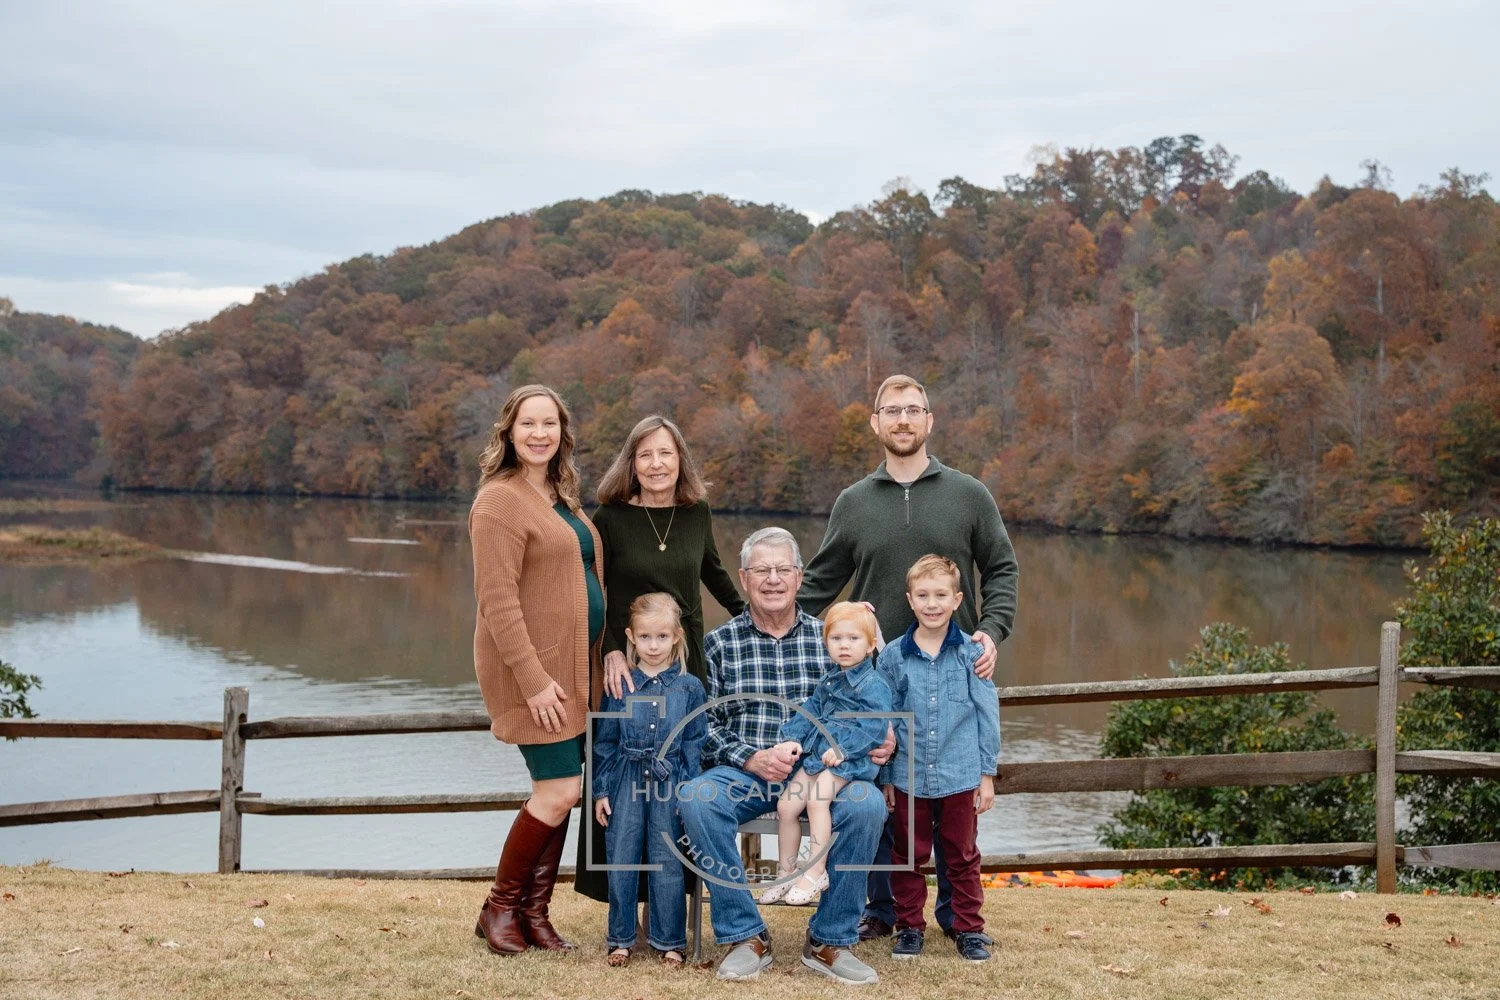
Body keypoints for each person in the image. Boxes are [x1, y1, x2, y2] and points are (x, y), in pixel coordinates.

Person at [797, 373, 1019, 944]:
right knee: (887, 806)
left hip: (950, 673)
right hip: (878, 684)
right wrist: (765, 627)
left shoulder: (968, 494)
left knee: (952, 810)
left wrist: (991, 631)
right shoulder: (853, 502)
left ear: (929, 420)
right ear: (875, 423)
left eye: (912, 410)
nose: (902, 420)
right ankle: (885, 913)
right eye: (891, 410)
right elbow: (819, 586)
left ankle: (958, 919)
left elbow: (1001, 569)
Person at [677, 528, 887, 986]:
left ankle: (830, 939)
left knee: (867, 804)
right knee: (696, 797)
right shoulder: (719, 644)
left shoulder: (831, 638)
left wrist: (880, 739)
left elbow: (871, 703)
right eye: (760, 571)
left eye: (782, 570)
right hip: (747, 773)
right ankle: (745, 935)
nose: (772, 580)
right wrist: (750, 758)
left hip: (820, 772)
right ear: (743, 579)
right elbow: (703, 726)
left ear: (799, 577)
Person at [576, 414, 744, 906]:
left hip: (684, 662)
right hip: (626, 660)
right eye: (645, 454)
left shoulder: (697, 513)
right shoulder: (608, 518)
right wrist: (608, 646)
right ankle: (627, 907)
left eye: (665, 453)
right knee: (625, 773)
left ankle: (674, 908)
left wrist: (758, 616)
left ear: (680, 459)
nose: (655, 464)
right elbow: (595, 589)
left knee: (680, 770)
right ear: (631, 462)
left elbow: (714, 573)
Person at [469, 384, 604, 956]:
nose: (540, 433)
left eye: (550, 424)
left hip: (575, 672)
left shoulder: (559, 494)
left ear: (562, 432)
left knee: (562, 795)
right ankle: (499, 908)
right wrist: (532, 679)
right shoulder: (498, 502)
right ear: (509, 431)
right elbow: (498, 601)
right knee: (558, 790)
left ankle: (535, 914)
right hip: (536, 676)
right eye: (529, 424)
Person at [879, 555, 1000, 963]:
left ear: (956, 599)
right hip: (909, 775)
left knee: (962, 855)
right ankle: (909, 928)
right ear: (910, 600)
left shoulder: (971, 653)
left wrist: (987, 775)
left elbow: (987, 714)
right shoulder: (894, 656)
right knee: (908, 855)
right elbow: (886, 721)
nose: (932, 604)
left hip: (960, 774)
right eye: (923, 596)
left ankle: (969, 929)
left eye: (941, 595)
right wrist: (887, 778)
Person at [592, 593, 707, 969]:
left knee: (667, 859)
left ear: (675, 636)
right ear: (631, 636)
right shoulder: (619, 684)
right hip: (626, 776)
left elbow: (694, 744)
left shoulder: (690, 688)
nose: (653, 646)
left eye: (661, 637)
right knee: (622, 855)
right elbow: (606, 741)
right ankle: (621, 939)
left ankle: (669, 941)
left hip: (669, 779)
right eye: (644, 637)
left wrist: (688, 791)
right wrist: (601, 791)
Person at [760, 602, 892, 907]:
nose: (844, 646)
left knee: (818, 800)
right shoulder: (831, 679)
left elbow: (873, 730)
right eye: (836, 639)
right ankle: (788, 871)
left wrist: (841, 749)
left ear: (872, 645)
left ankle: (817, 869)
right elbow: (811, 712)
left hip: (851, 761)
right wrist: (792, 740)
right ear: (826, 642)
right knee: (787, 805)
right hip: (820, 756)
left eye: (853, 639)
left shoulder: (874, 686)